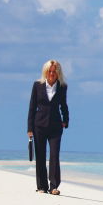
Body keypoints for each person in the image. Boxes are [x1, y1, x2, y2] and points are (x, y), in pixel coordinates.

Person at [27, 59, 69, 195]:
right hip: (38, 125)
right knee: (40, 156)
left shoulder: (62, 87)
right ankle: (42, 186)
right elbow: (32, 107)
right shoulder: (37, 85)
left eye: (54, 72)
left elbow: (64, 105)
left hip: (56, 127)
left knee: (54, 155)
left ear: (58, 73)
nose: (51, 74)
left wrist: (66, 120)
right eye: (49, 71)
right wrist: (29, 128)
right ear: (45, 72)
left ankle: (54, 187)